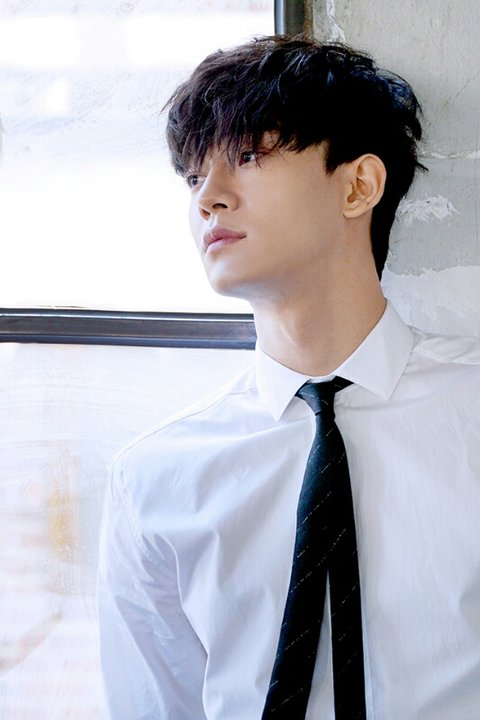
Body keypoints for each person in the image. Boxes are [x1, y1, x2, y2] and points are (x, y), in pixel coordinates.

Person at [97, 35, 480, 720]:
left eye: (248, 156)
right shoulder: (155, 479)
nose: (208, 198)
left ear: (358, 186)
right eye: (192, 176)